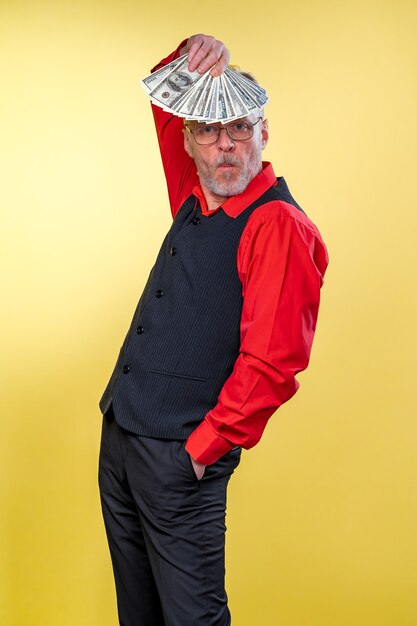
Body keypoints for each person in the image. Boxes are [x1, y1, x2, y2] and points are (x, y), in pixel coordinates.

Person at [98, 33, 329, 626]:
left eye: (240, 128)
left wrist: (200, 454)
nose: (224, 145)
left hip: (180, 458)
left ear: (263, 132)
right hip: (124, 439)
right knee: (139, 613)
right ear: (190, 142)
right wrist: (190, 53)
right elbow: (162, 98)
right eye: (207, 129)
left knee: (193, 618)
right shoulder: (197, 196)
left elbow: (273, 365)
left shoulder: (276, 224)